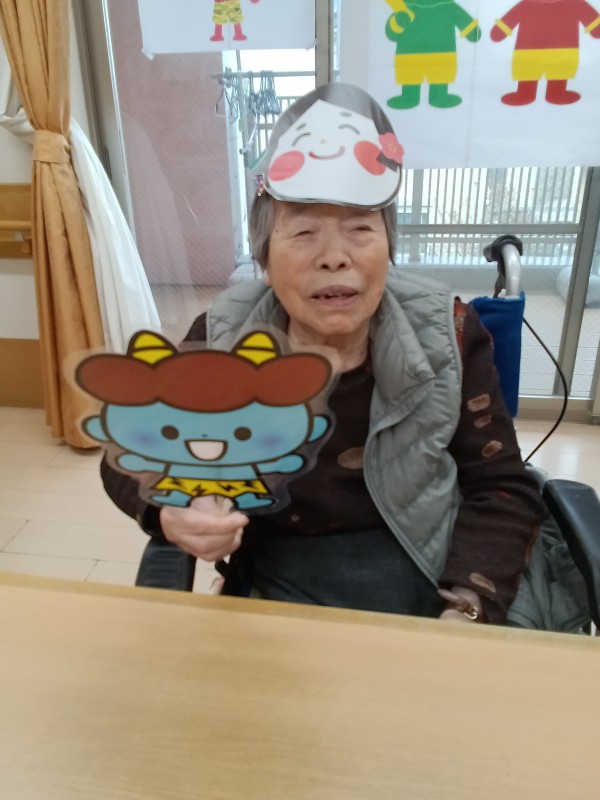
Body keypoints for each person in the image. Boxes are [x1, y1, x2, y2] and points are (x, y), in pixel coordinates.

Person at [100, 83, 544, 626]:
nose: (334, 257)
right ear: (265, 259)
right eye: (304, 231)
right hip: (282, 575)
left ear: (388, 248)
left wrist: (466, 609)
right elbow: (127, 455)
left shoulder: (447, 334)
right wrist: (172, 510)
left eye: (359, 229)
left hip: (430, 568)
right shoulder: (221, 338)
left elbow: (501, 486)